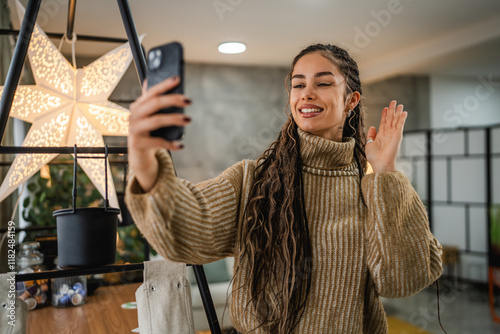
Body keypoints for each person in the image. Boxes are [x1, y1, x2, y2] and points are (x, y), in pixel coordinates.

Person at [125, 44, 443, 334]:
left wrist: (386, 171)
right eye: (298, 84)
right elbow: (182, 234)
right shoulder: (253, 181)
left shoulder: (373, 189)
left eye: (322, 82)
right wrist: (143, 159)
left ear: (351, 100)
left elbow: (404, 279)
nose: (306, 93)